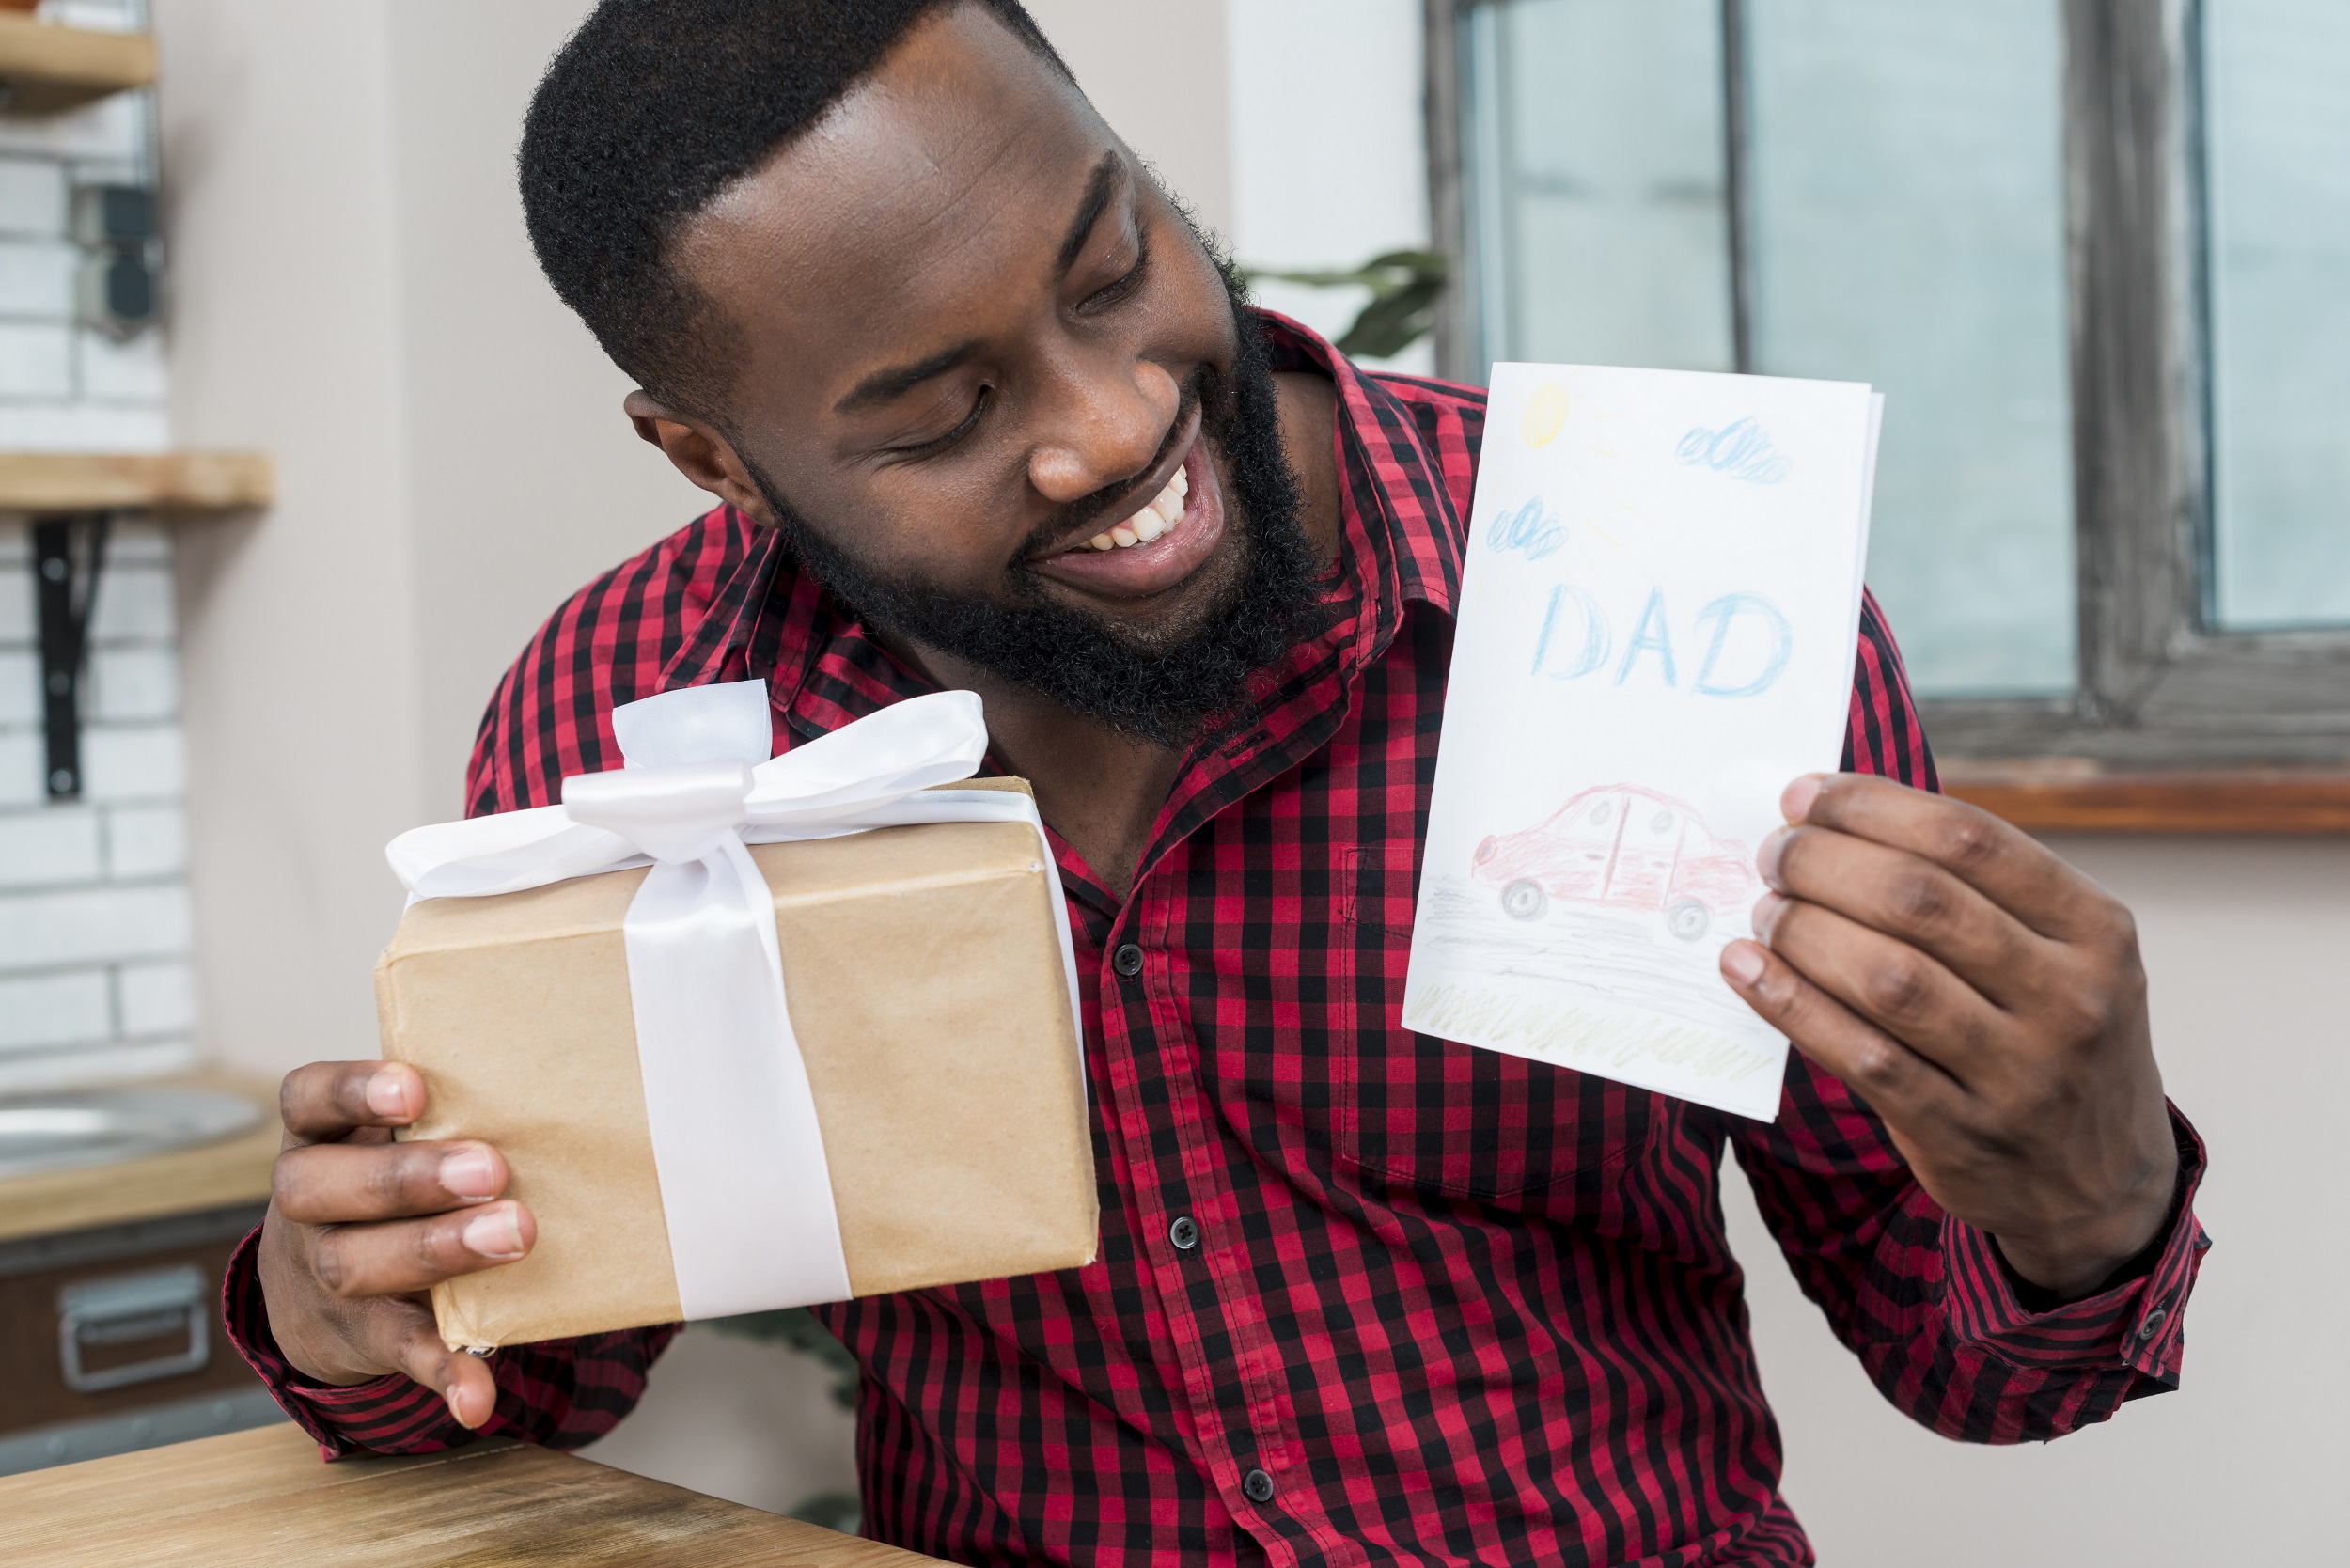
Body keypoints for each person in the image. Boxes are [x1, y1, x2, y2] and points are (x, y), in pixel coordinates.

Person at [224, 3, 2208, 1563]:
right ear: (712, 459)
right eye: (940, 414)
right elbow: (536, 1377)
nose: (1107, 428)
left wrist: (2088, 1186)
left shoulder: (1652, 610)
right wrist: (357, 1309)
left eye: (1110, 269)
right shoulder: (629, 715)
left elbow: (1976, 1365)